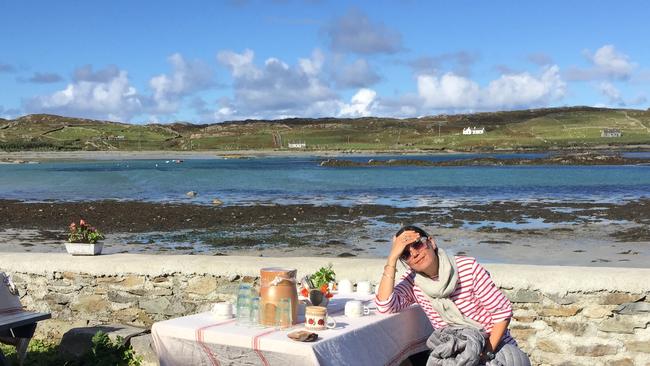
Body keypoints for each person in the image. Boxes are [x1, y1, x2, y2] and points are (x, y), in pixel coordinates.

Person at [376, 225, 530, 365]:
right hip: (456, 351)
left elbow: (502, 313)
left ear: (431, 242)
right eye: (405, 254)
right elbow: (385, 305)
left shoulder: (467, 268)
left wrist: (483, 355)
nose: (414, 254)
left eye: (417, 244)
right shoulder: (413, 282)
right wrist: (392, 259)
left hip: (493, 347)